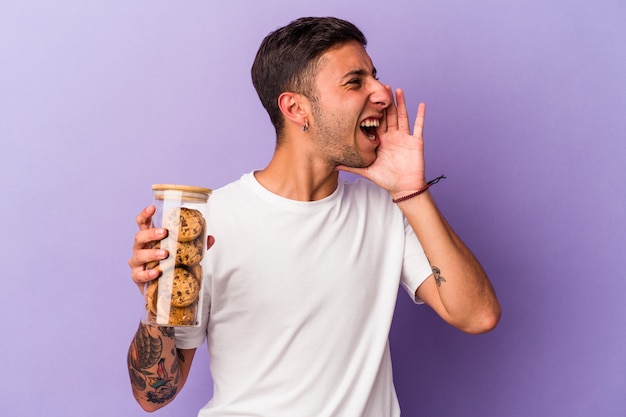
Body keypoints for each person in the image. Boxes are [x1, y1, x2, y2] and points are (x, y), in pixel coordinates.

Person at [127, 16, 500, 416]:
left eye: (375, 76)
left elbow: (477, 316)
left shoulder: (386, 208)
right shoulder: (210, 223)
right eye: (355, 82)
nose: (382, 93)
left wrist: (412, 191)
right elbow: (153, 397)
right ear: (295, 108)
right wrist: (158, 302)